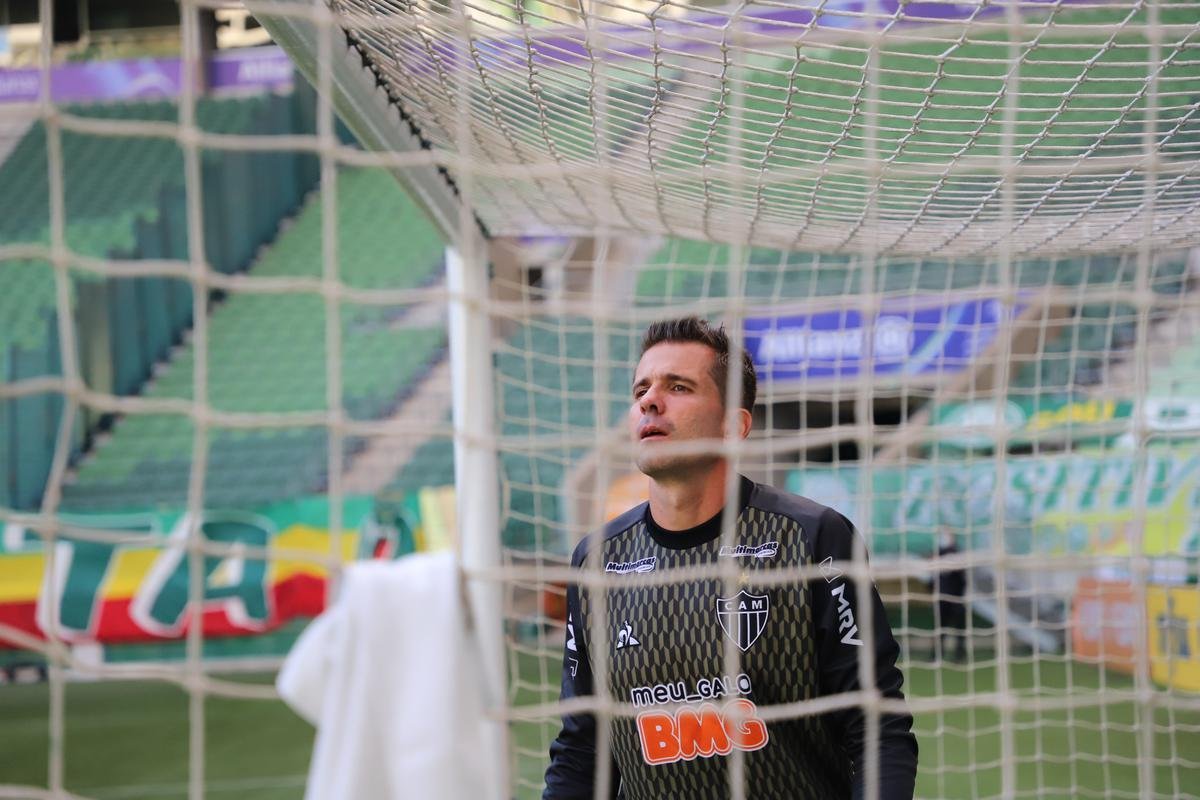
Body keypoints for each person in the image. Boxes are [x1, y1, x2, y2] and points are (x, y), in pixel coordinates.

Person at [543, 316, 918, 800]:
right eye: (641, 389)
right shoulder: (597, 561)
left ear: (733, 425)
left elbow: (875, 727)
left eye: (678, 386)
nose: (649, 401)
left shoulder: (811, 538)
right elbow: (581, 750)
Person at [933, 528, 968, 662]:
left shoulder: (957, 553)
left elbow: (963, 578)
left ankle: (960, 654)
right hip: (942, 598)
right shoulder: (938, 554)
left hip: (956, 598)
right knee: (940, 628)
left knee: (960, 629)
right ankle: (936, 655)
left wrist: (960, 595)